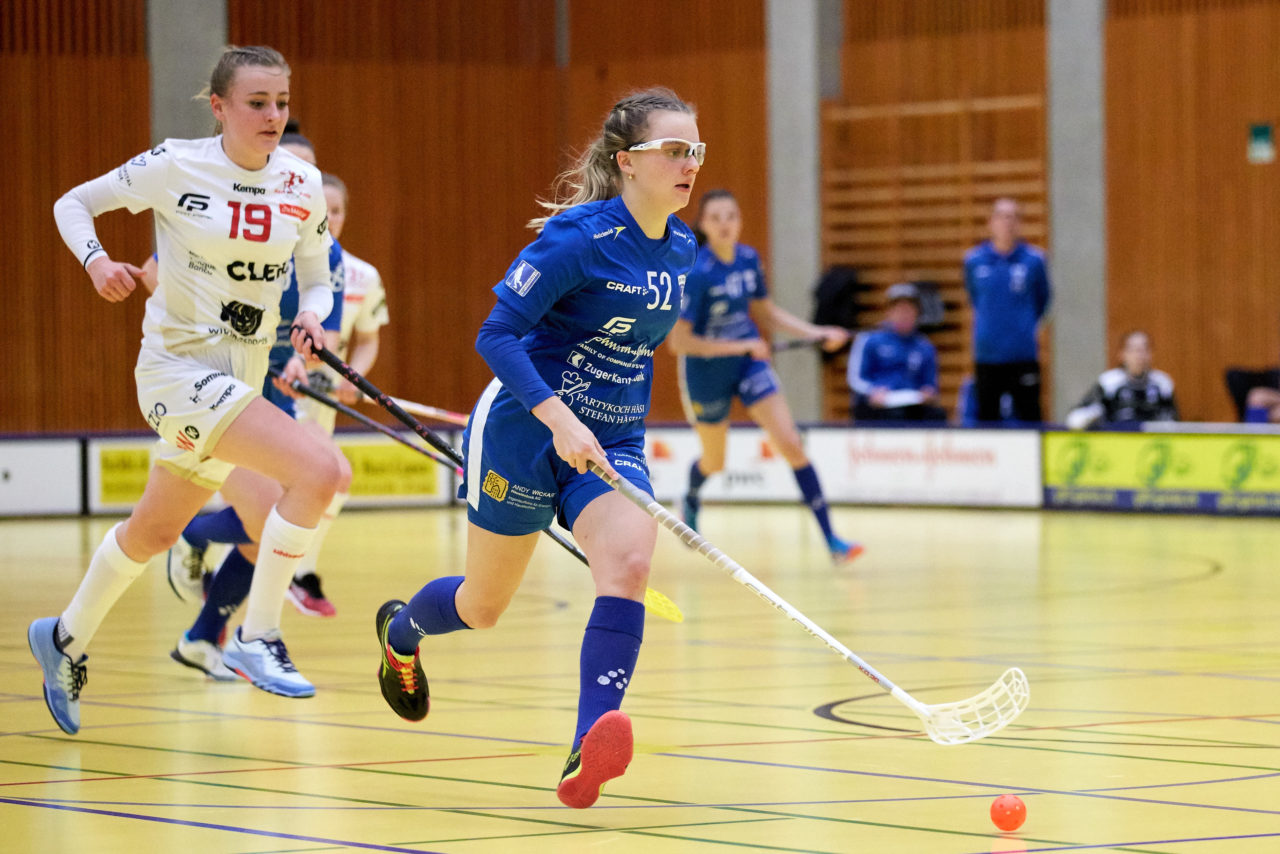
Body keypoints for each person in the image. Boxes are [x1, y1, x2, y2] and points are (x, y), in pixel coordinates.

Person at [374, 88, 700, 809]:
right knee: (482, 606)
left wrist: (597, 425)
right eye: (675, 150)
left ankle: (587, 746)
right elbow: (495, 335)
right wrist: (559, 419)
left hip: (611, 438)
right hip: (525, 431)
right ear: (628, 162)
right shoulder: (578, 239)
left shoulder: (683, 247)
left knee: (629, 565)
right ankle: (400, 633)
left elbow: (635, 346)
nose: (690, 165)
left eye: (695, 151)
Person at [29, 46, 342, 735]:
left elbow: (319, 278)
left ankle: (63, 637)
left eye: (282, 102)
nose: (273, 115)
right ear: (219, 107)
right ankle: (256, 637)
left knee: (158, 531)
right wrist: (97, 263)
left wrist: (314, 316)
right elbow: (73, 203)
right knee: (322, 471)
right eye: (257, 103)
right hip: (177, 372)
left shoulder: (302, 182)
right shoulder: (175, 164)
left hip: (242, 377)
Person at [166, 129, 349, 641]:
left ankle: (203, 638)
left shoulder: (325, 252)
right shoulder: (222, 224)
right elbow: (157, 278)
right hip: (213, 388)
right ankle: (191, 535)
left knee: (290, 507)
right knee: (270, 514)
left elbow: (322, 333)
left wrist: (300, 363)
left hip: (271, 399)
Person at [667, 189, 860, 563]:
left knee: (790, 443)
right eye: (716, 218)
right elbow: (680, 342)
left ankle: (833, 541)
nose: (725, 224)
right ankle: (689, 498)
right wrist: (740, 346)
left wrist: (817, 333)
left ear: (740, 221)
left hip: (749, 365)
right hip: (706, 372)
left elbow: (767, 314)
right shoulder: (697, 273)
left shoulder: (748, 260)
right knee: (715, 462)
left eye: (731, 216)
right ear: (703, 225)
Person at [964, 198, 1051, 422]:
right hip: (987, 356)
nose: (1007, 223)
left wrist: (1022, 327)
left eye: (1013, 217)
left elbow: (1043, 301)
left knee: (1030, 418)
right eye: (1002, 217)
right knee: (987, 420)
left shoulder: (1034, 260)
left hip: (1023, 354)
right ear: (990, 222)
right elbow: (974, 298)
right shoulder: (974, 260)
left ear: (1020, 223)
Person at [847, 282, 947, 423]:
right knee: (889, 414)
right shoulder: (869, 340)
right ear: (888, 312)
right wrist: (872, 391)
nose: (904, 315)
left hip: (913, 405)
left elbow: (930, 384)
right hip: (879, 404)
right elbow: (856, 379)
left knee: (937, 415)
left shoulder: (924, 345)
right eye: (899, 309)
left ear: (917, 313)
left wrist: (928, 392)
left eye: (908, 309)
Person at [1065, 330, 1178, 429]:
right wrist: (1093, 414)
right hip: (1115, 442)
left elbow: (1173, 421)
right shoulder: (1108, 383)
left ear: (1151, 354)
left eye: (1144, 349)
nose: (1139, 356)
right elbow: (1075, 419)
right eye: (1134, 350)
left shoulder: (1163, 383)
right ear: (1122, 354)